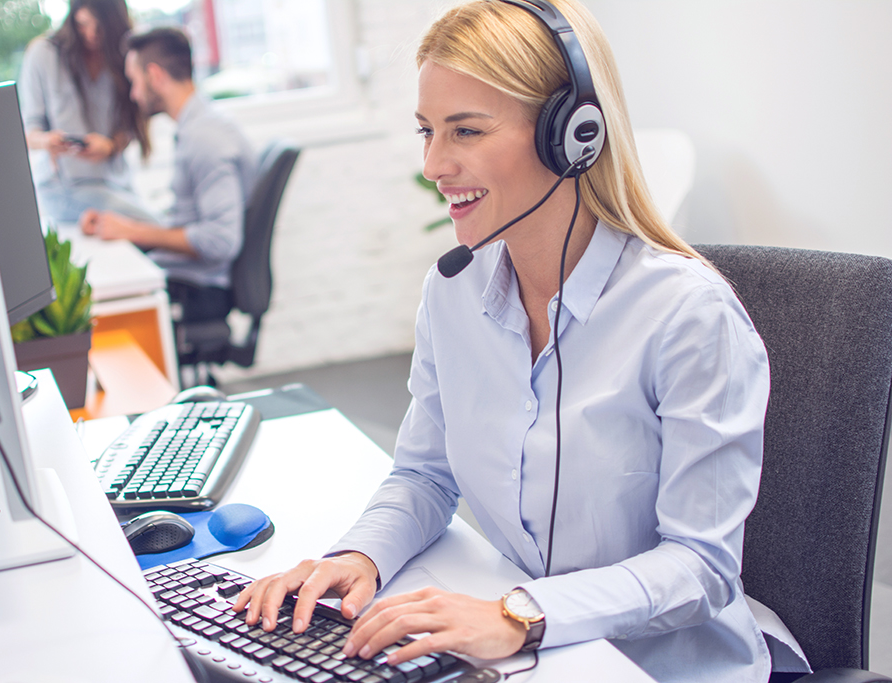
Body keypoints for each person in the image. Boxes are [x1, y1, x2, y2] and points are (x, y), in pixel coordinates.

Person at [233, 1, 777, 682]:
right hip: (524, 656)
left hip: (662, 667)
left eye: (465, 130)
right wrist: (358, 557)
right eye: (427, 131)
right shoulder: (453, 293)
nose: (435, 164)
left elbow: (701, 564)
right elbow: (424, 475)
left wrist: (521, 612)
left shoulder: (687, 316)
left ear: (571, 134)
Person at [80, 27, 257, 322]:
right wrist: (120, 226)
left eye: (134, 82)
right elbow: (187, 221)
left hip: (197, 288)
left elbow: (220, 241)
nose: (134, 95)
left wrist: (133, 232)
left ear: (156, 76)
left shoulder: (205, 140)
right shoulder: (200, 126)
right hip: (187, 275)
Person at [20, 0, 152, 223]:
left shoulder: (123, 55)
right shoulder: (43, 54)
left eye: (99, 27)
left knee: (152, 228)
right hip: (64, 188)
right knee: (152, 227)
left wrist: (109, 147)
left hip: (116, 184)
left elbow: (130, 124)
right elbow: (28, 132)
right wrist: (47, 141)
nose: (91, 33)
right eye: (82, 24)